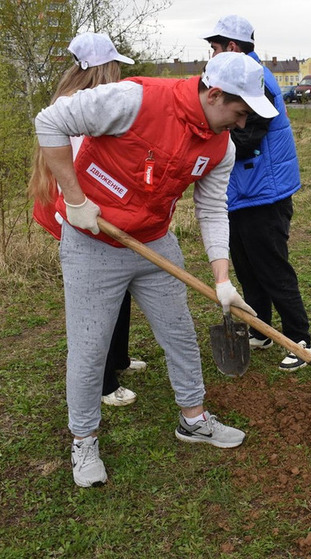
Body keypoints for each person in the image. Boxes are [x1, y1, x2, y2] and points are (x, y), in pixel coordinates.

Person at [33, 51, 278, 488]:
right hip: (92, 242)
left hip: (154, 243)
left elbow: (212, 209)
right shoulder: (134, 100)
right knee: (89, 350)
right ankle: (84, 439)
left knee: (180, 334)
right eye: (239, 113)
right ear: (216, 94)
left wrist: (222, 277)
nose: (242, 124)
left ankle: (194, 419)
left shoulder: (219, 147)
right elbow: (49, 121)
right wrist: (74, 199)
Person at [29, 32, 145, 408]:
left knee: (122, 290)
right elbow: (75, 171)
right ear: (104, 67)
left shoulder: (92, 102)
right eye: (114, 66)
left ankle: (120, 360)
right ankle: (104, 384)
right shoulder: (76, 108)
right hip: (84, 221)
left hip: (105, 218)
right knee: (98, 306)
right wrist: (83, 212)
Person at [204, 15, 311, 371]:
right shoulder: (238, 79)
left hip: (264, 193)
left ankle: (299, 338)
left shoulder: (256, 83)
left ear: (232, 48)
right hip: (241, 192)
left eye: (215, 48)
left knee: (271, 267)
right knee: (246, 265)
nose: (211, 54)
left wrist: (205, 141)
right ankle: (262, 328)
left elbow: (247, 138)